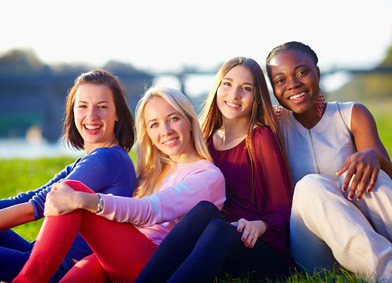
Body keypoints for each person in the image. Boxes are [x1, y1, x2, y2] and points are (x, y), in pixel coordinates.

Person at [12, 86, 226, 282]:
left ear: (189, 120)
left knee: (75, 191)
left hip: (154, 262)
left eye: (173, 119)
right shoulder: (153, 172)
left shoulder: (207, 176)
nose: (165, 131)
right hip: (118, 256)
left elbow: (150, 210)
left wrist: (89, 200)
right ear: (149, 134)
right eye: (154, 124)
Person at [265, 41, 392, 282]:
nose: (293, 84)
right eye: (280, 80)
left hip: (365, 230)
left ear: (317, 73)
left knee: (366, 173)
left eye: (301, 72)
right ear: (273, 88)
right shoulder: (274, 126)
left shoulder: (351, 114)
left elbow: (391, 184)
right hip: (313, 250)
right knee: (310, 185)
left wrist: (375, 157)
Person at [136, 57, 294, 283]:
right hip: (211, 243)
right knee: (204, 211)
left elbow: (283, 210)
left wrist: (260, 226)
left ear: (256, 96)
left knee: (219, 229)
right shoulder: (206, 140)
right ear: (217, 88)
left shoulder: (260, 138)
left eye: (246, 88)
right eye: (227, 84)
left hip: (256, 245)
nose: (234, 94)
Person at [0, 69, 137, 282]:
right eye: (82, 106)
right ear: (73, 111)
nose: (91, 116)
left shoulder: (109, 159)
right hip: (41, 257)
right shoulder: (90, 160)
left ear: (117, 113)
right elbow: (28, 198)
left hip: (60, 271)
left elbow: (34, 210)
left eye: (102, 107)